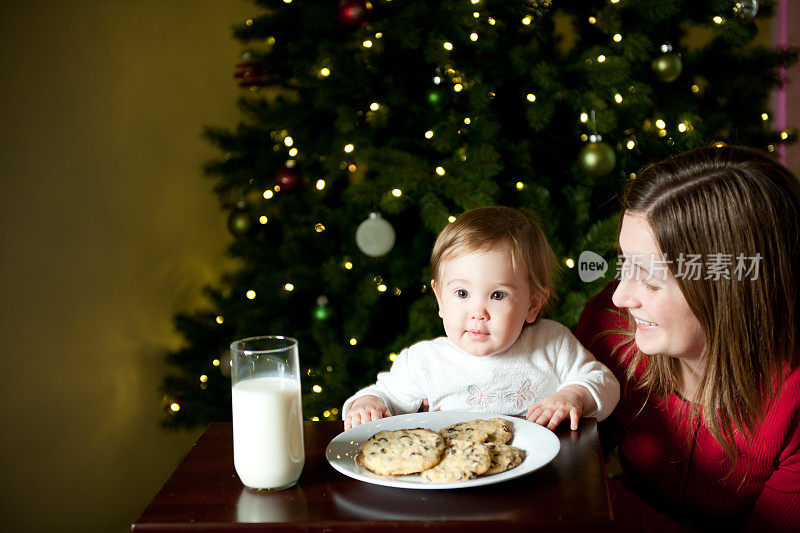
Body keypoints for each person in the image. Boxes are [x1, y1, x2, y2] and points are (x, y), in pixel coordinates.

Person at [575, 145, 800, 532]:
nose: (620, 297)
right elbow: (569, 462)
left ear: (730, 292)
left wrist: (601, 501)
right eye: (625, 264)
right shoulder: (608, 328)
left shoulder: (792, 399)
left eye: (650, 281)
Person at [343, 206, 619, 431]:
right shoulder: (425, 362)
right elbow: (384, 395)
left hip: (539, 479)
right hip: (457, 477)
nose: (478, 312)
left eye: (498, 296)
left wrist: (574, 395)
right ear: (440, 298)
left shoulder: (551, 343)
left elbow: (604, 382)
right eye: (462, 293)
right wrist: (368, 404)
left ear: (533, 304)